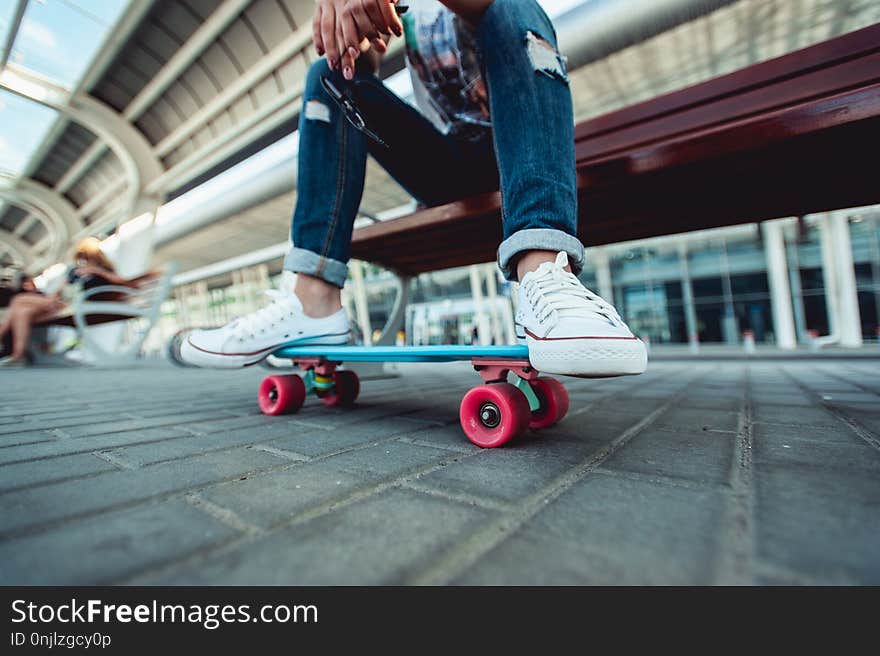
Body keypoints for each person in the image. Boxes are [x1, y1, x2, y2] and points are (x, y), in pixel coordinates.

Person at [182, 0, 647, 377]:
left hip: (520, 153)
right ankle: (313, 300)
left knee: (513, 7)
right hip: (448, 168)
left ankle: (545, 275)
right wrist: (350, 27)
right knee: (327, 77)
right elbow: (365, 62)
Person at [0, 238, 133, 367]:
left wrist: (97, 271)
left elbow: (121, 282)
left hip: (81, 305)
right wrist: (53, 299)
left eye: (85, 256)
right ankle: (18, 355)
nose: (83, 260)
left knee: (18, 300)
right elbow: (61, 289)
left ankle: (14, 351)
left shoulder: (104, 270)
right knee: (23, 312)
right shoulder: (74, 272)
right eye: (81, 257)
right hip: (63, 305)